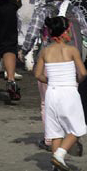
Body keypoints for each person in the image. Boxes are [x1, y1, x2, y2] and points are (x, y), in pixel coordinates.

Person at [33, 16, 87, 171]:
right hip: (68, 91)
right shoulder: (71, 50)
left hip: (52, 92)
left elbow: (37, 74)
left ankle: (56, 166)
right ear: (66, 31)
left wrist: (50, 80)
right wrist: (76, 79)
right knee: (77, 128)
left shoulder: (45, 51)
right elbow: (83, 72)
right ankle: (60, 155)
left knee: (55, 131)